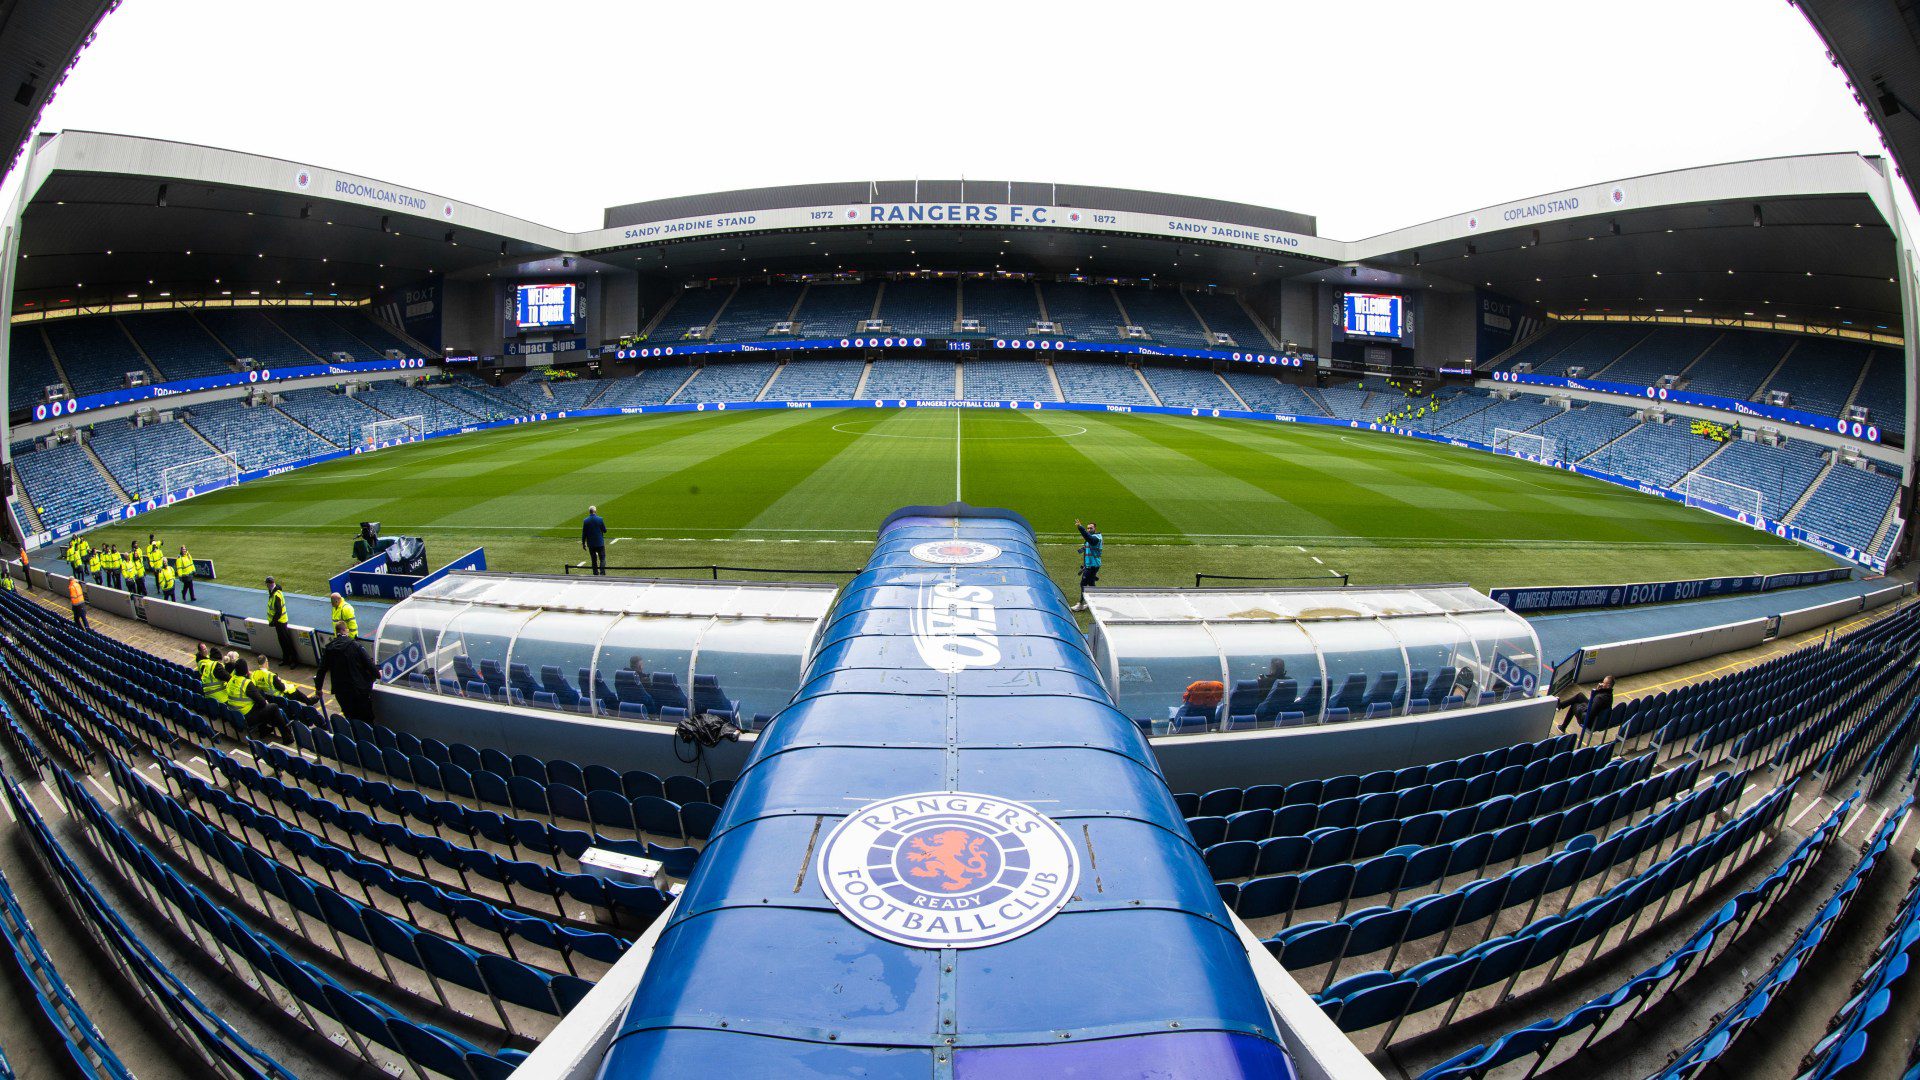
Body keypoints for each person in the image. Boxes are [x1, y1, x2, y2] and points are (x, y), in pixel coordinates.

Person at [314, 619, 379, 723]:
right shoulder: (355, 645)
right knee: (366, 718)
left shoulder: (329, 649)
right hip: (358, 689)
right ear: (345, 630)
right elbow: (368, 664)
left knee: (350, 717)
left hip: (341, 692)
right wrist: (378, 675)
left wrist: (318, 688)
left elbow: (321, 670)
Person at [251, 653, 319, 706]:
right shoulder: (271, 676)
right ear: (266, 663)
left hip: (268, 697)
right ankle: (309, 701)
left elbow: (254, 687)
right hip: (280, 698)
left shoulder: (254, 674)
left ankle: (307, 701)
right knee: (293, 690)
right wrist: (280, 680)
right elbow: (282, 688)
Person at [1071, 519, 1103, 612]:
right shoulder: (1091, 538)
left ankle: (1081, 604)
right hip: (1090, 565)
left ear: (1095, 528)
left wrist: (1080, 527)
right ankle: (1095, 602)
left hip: (1092, 566)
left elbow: (1089, 539)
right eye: (1088, 528)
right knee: (1091, 584)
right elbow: (1087, 548)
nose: (1089, 530)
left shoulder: (1096, 538)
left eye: (1091, 528)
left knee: (1083, 584)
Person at [264, 576, 298, 662]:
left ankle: (294, 660)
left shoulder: (276, 594)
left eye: (267, 584)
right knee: (282, 641)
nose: (266, 586)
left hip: (281, 622)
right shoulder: (274, 592)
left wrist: (273, 621)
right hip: (279, 621)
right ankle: (286, 659)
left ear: (269, 584)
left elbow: (279, 611)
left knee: (286, 641)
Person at [581, 505, 608, 576]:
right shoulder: (600, 519)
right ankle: (602, 573)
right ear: (595, 511)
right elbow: (605, 530)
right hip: (599, 543)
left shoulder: (586, 521)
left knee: (593, 559)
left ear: (589, 512)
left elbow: (584, 533)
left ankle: (595, 573)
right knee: (602, 558)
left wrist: (583, 543)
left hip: (591, 544)